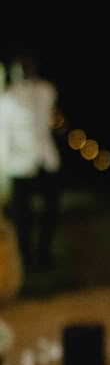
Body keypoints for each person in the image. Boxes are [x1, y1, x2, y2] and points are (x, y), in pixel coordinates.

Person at [4, 55, 61, 269]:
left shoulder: (45, 91)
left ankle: (44, 253)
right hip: (20, 164)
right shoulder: (8, 98)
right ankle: (25, 257)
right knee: (22, 216)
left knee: (50, 210)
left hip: (46, 160)